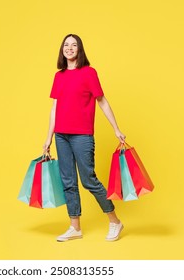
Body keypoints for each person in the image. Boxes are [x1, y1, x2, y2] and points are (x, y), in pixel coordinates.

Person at [43, 34, 126, 242]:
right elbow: (55, 108)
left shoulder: (89, 73)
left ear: (80, 50)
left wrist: (116, 129)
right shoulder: (59, 76)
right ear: (62, 50)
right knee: (68, 182)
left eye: (74, 45)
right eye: (66, 45)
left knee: (89, 180)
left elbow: (102, 101)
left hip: (82, 136)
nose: (69, 48)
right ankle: (75, 227)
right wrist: (48, 137)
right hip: (61, 135)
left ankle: (115, 221)